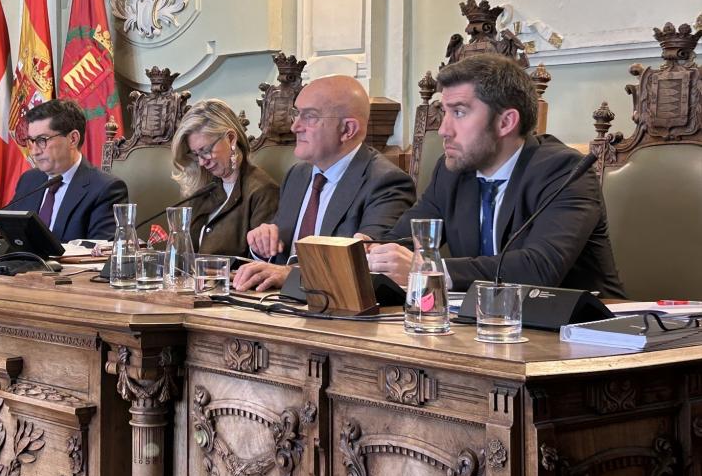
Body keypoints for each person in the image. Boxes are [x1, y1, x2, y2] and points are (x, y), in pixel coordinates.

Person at [368, 54, 625, 297]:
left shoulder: (564, 172)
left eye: (459, 112)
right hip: (479, 321)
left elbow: (539, 268)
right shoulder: (451, 173)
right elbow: (403, 242)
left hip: (583, 324)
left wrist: (430, 270)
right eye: (444, 112)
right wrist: (375, 253)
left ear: (506, 122)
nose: (444, 130)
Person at [233, 75, 416, 291]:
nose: (295, 127)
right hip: (276, 301)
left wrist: (291, 276)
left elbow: (366, 266)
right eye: (296, 114)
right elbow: (279, 257)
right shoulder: (297, 175)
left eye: (309, 116)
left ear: (347, 129)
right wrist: (262, 246)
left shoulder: (386, 184)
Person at [7, 99, 128, 242]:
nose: (34, 152)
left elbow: (101, 250)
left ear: (73, 139)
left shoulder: (105, 189)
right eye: (31, 141)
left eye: (42, 140)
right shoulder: (29, 180)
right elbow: (0, 225)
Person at [171, 99, 279, 258]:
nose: (202, 162)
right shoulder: (204, 187)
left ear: (230, 138)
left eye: (205, 151)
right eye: (196, 154)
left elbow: (262, 261)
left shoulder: (263, 191)